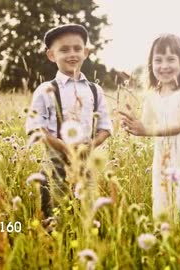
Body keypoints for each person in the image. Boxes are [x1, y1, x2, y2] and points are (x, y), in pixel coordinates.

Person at [119, 34, 180, 221]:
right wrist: (132, 125)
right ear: (151, 65)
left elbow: (177, 126)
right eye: (158, 60)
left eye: (171, 59)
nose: (164, 66)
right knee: (169, 202)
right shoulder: (152, 96)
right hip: (165, 157)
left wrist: (144, 129)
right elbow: (146, 125)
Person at [25, 24, 113, 219]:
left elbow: (105, 127)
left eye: (77, 48)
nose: (71, 54)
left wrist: (93, 143)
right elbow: (35, 127)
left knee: (86, 214)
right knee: (55, 214)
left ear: (86, 52)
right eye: (64, 50)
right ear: (51, 55)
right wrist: (60, 145)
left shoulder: (94, 90)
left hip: (86, 161)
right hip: (55, 161)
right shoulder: (46, 89)